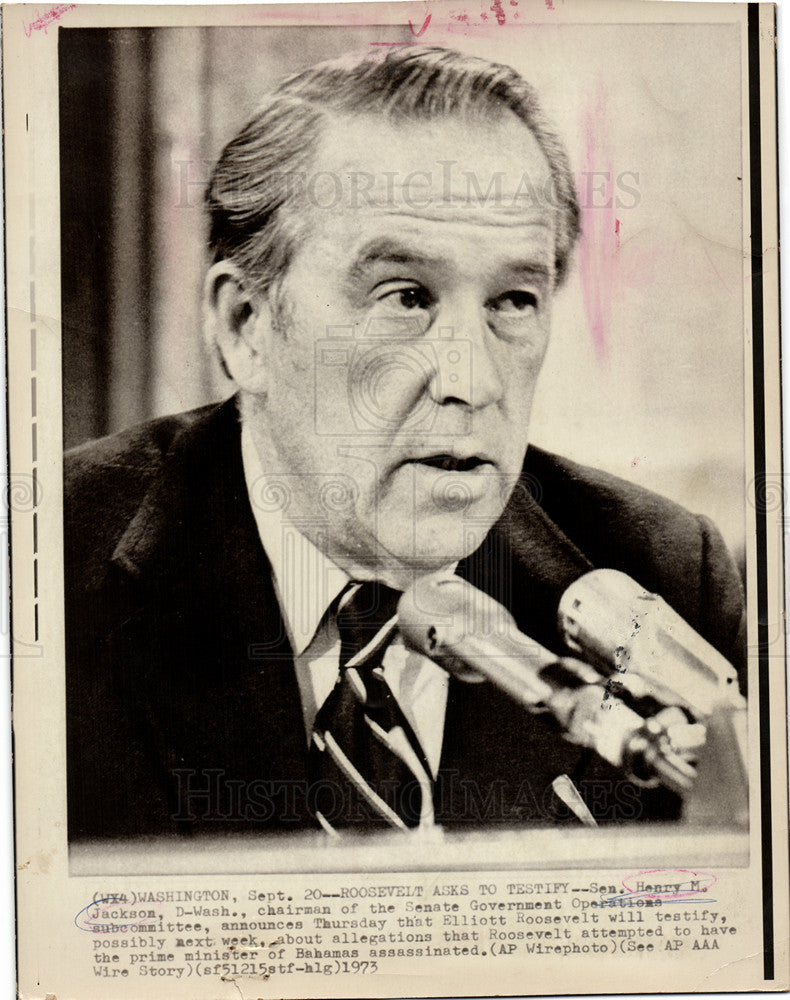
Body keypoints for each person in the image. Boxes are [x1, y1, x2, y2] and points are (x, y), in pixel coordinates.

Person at [64, 45, 745, 840]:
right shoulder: (47, 559)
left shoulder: (656, 574)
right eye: (407, 298)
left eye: (513, 301)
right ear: (246, 327)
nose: (472, 381)